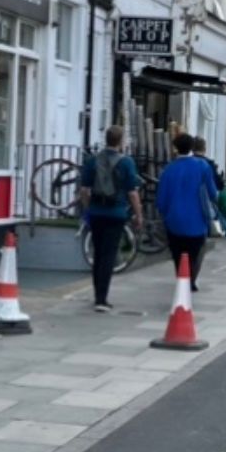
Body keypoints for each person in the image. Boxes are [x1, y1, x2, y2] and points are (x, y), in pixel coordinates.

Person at [78, 126, 143, 313]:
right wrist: (138, 214)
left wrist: (88, 207)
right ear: (121, 141)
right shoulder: (126, 163)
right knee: (109, 255)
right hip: (116, 213)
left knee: (97, 253)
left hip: (96, 212)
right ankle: (102, 298)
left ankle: (97, 294)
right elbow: (132, 192)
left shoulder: (92, 161)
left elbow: (84, 190)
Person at [157, 133, 220, 289]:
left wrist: (164, 215)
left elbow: (161, 201)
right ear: (192, 147)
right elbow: (213, 194)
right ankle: (190, 280)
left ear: (176, 148)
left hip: (174, 221)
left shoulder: (168, 170)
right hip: (197, 221)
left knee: (178, 254)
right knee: (196, 253)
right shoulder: (202, 166)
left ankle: (182, 279)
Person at [193, 136, 226, 238]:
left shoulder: (187, 162)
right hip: (207, 197)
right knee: (220, 208)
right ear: (204, 148)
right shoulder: (208, 164)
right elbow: (216, 184)